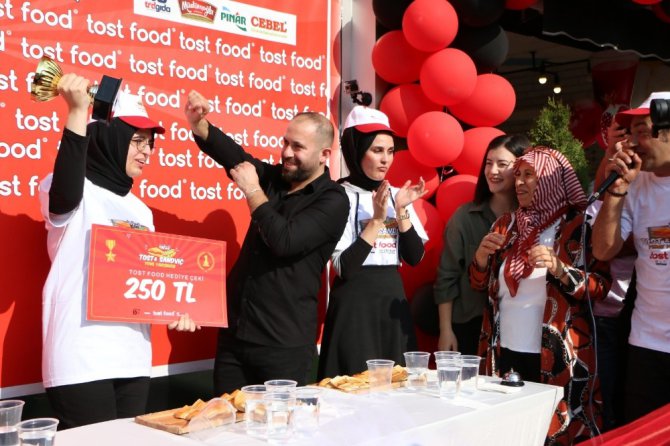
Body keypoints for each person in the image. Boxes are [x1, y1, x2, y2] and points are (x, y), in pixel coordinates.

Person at [39, 75, 198, 429]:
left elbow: (145, 279)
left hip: (133, 359)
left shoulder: (141, 210)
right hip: (81, 359)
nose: (147, 151)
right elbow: (65, 196)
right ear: (108, 139)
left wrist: (175, 307)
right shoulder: (66, 187)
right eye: (136, 141)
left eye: (150, 143)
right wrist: (78, 112)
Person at [183, 90, 349, 394]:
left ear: (325, 154)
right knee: (227, 430)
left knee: (278, 435)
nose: (286, 152)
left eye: (298, 146)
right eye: (285, 142)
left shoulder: (333, 200)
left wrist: (253, 193)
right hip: (236, 337)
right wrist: (200, 124)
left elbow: (284, 240)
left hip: (283, 346)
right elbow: (237, 159)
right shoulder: (275, 178)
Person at [470, 147, 609, 445]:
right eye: (517, 175)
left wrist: (561, 269)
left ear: (550, 180)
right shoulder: (505, 225)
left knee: (553, 436)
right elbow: (482, 286)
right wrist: (481, 259)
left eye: (529, 175)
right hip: (504, 353)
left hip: (556, 359)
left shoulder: (579, 226)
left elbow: (600, 287)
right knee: (508, 434)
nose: (518, 182)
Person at [317, 106, 428, 379]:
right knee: (352, 391)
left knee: (396, 393)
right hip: (354, 309)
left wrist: (401, 210)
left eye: (390, 151)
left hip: (392, 305)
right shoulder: (337, 196)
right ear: (356, 149)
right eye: (377, 150)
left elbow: (415, 257)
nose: (385, 160)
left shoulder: (396, 195)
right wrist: (377, 221)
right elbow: (344, 268)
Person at [592, 91, 670, 424]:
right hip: (647, 344)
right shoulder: (635, 186)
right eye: (631, 133)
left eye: (642, 132)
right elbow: (603, 249)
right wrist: (617, 191)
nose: (634, 143)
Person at [433, 134, 529, 355]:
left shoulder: (534, 218)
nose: (492, 171)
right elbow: (446, 277)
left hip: (518, 328)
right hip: (469, 326)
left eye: (502, 164)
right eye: (488, 163)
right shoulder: (465, 217)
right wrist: (445, 330)